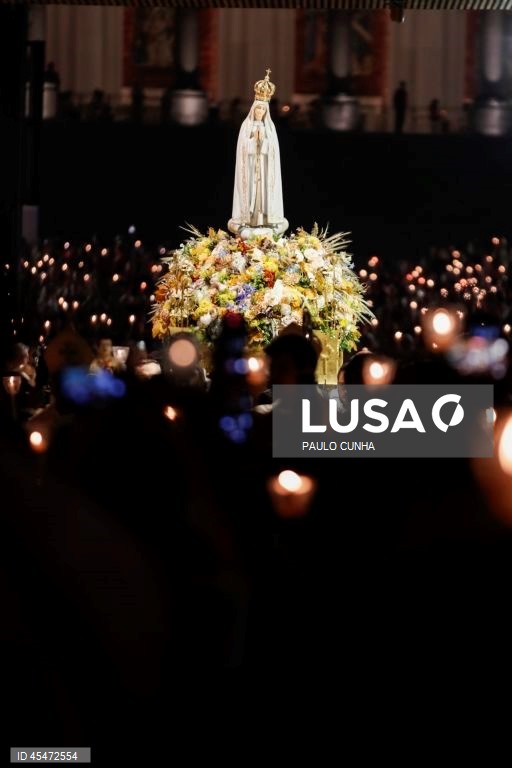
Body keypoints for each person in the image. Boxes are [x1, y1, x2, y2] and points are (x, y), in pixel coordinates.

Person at [229, 70, 287, 235]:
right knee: (251, 195)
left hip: (264, 167)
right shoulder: (246, 126)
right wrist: (253, 141)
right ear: (253, 109)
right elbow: (242, 149)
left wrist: (264, 143)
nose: (260, 112)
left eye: (263, 109)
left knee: (263, 196)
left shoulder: (270, 127)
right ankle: (249, 219)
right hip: (250, 168)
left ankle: (264, 220)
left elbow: (273, 152)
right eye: (258, 109)